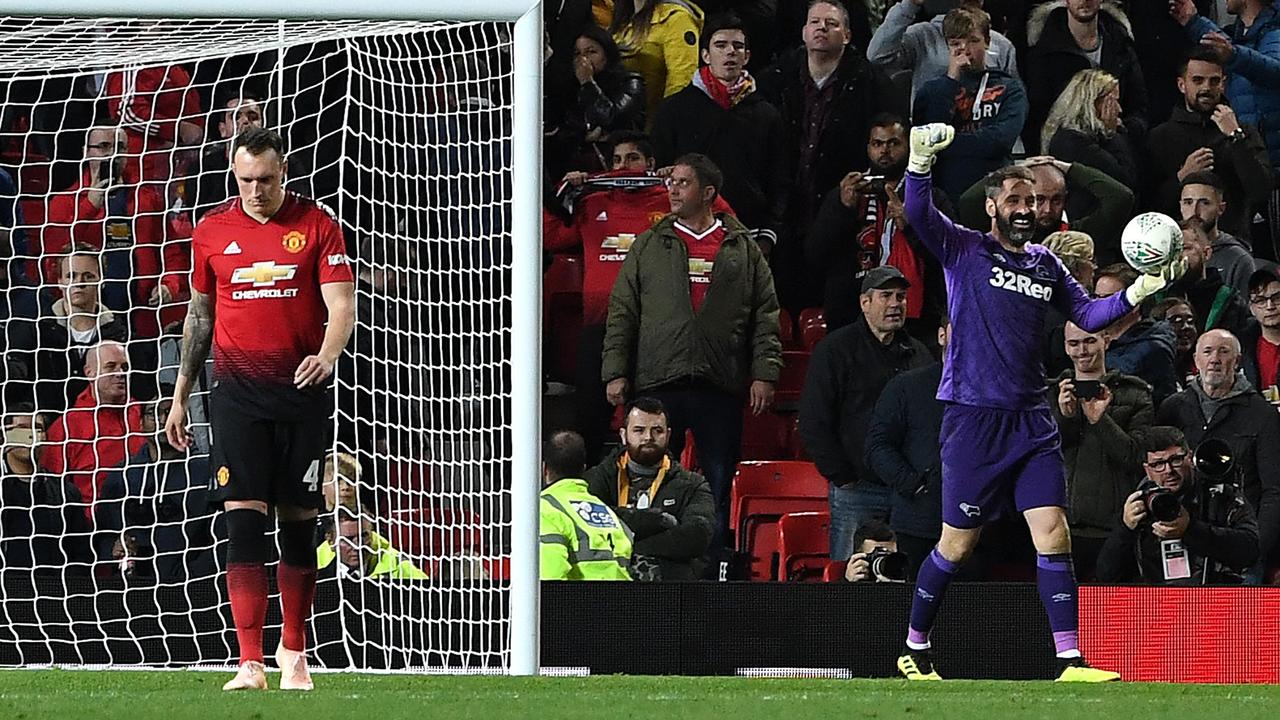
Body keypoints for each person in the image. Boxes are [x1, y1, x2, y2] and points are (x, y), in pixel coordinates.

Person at [896, 122, 1185, 682]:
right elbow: (920, 212)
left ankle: (1070, 660)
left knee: (1054, 533)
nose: (1026, 207)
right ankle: (915, 646)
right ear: (992, 205)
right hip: (975, 418)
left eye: (1033, 200)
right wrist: (919, 163)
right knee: (956, 545)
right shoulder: (965, 249)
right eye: (1015, 198)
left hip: (1032, 418)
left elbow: (1091, 317)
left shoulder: (1046, 264)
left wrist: (1140, 290)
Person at [164, 127, 355, 692]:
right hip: (237, 396)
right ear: (233, 173)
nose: (256, 190)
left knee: (298, 520)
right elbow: (199, 318)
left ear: (284, 172)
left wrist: (326, 354)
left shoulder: (316, 225)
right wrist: (180, 394)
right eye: (246, 179)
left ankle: (293, 651)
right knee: (243, 515)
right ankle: (250, 662)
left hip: (299, 392)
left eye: (266, 179)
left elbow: (341, 302)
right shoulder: (212, 231)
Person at [601, 154, 781, 550]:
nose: (673, 189)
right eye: (672, 182)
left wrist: (764, 374)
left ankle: (710, 565)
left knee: (717, 481)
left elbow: (765, 314)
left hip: (720, 384)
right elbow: (623, 311)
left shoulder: (742, 248)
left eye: (683, 182)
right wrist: (615, 371)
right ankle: (650, 557)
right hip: (658, 382)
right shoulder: (649, 245)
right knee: (652, 478)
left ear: (709, 193)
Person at [545, 133, 733, 458]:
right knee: (590, 416)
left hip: (654, 333)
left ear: (650, 164)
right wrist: (559, 190)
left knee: (648, 422)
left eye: (632, 159)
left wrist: (679, 180)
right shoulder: (592, 203)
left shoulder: (670, 202)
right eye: (616, 160)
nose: (623, 167)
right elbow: (551, 236)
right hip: (599, 329)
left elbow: (721, 217)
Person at [758, 0, 902, 310]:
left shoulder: (872, 83)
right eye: (815, 22)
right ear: (803, 32)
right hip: (786, 207)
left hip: (844, 212)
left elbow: (892, 142)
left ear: (848, 35)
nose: (822, 28)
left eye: (832, 23)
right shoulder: (774, 80)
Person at [798, 266, 932, 560]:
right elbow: (813, 421)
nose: (896, 304)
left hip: (909, 493)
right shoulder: (835, 350)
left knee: (906, 578)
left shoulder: (920, 354)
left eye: (901, 296)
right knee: (852, 580)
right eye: (886, 296)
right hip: (858, 489)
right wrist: (843, 476)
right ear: (864, 302)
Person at [651, 13, 788, 255]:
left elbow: (779, 179)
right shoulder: (674, 110)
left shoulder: (767, 114)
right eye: (721, 45)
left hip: (748, 233)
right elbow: (660, 171)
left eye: (738, 46)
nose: (730, 52)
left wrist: (769, 233)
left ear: (747, 56)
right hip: (685, 234)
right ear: (705, 55)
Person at [41, 125, 188, 340]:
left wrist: (169, 285)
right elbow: (53, 263)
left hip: (141, 317)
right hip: (86, 320)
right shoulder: (64, 203)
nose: (112, 154)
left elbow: (172, 252)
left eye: (119, 147)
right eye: (103, 146)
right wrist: (89, 206)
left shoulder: (146, 198)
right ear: (86, 151)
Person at [806, 113, 949, 333]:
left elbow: (948, 260)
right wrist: (842, 210)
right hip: (850, 317)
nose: (884, 151)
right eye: (877, 144)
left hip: (915, 323)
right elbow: (815, 254)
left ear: (909, 146)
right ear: (868, 148)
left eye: (894, 143)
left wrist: (912, 226)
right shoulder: (846, 193)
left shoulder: (930, 198)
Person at [1157, 329, 1280, 577]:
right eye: (1207, 351)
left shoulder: (1262, 414)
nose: (1215, 359)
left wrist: (1258, 549)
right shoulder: (1172, 408)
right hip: (1185, 543)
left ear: (1237, 361)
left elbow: (1274, 491)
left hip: (1240, 550)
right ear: (1196, 360)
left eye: (1224, 352)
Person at [1048, 321, 1154, 581]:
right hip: (1059, 528)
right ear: (1065, 347)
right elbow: (1039, 455)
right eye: (1074, 343)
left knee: (1112, 616)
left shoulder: (1136, 394)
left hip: (1115, 529)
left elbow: (1135, 458)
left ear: (1106, 340)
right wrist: (1065, 417)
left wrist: (1100, 420)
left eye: (1089, 341)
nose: (1082, 350)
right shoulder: (1049, 395)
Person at [1094, 426, 1259, 585]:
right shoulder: (1137, 504)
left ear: (1190, 458)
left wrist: (1190, 530)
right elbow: (1106, 576)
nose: (1169, 470)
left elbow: (1251, 551)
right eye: (1158, 464)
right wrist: (1125, 529)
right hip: (1154, 603)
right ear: (1147, 469)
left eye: (1176, 460)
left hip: (1211, 598)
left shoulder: (1220, 496)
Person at [1145, 47, 1273, 244]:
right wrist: (1182, 176)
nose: (1206, 88)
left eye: (1214, 81)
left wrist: (1235, 136)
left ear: (1224, 84)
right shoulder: (1160, 136)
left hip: (1233, 244)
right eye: (1197, 80)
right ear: (1181, 85)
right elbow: (1148, 204)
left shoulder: (1243, 131)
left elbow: (1260, 190)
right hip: (1176, 246)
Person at [584, 397, 715, 581]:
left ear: (668, 435)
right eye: (639, 430)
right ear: (623, 435)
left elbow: (697, 535)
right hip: (606, 585)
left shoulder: (693, 485)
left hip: (670, 588)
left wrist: (631, 548)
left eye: (657, 431)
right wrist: (658, 521)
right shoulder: (597, 478)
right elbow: (588, 527)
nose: (648, 437)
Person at [911, 7, 1028, 200]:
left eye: (973, 41)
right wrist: (951, 81)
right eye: (956, 43)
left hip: (994, 191)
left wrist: (948, 144)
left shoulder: (1010, 88)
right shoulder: (932, 91)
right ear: (947, 46)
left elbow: (1001, 141)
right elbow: (928, 139)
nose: (965, 50)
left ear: (988, 42)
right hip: (944, 193)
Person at [864, 316, 949, 576]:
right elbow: (878, 446)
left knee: (972, 614)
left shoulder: (996, 390)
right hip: (918, 526)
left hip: (978, 528)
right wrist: (914, 485)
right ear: (942, 335)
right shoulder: (908, 387)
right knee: (913, 612)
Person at [5, 248, 129, 413]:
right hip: (47, 428)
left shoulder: (120, 335)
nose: (79, 283)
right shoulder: (35, 332)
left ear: (102, 281)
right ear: (60, 281)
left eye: (88, 276)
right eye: (71, 276)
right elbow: (17, 385)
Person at [954, 156, 1133, 265]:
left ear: (1066, 198)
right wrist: (1012, 171)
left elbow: (1121, 197)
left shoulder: (1078, 236)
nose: (1047, 209)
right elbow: (968, 202)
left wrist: (1067, 168)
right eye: (1039, 200)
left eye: (1056, 200)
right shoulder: (1005, 234)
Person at [1170, 0, 1280, 177]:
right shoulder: (1242, 35)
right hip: (1252, 162)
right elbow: (1233, 50)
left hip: (1273, 166)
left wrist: (1233, 54)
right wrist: (1193, 21)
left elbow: (1272, 69)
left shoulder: (1275, 31)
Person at [39, 341, 146, 523]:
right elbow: (53, 490)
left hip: (147, 521)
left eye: (125, 367)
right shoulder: (67, 427)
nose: (120, 374)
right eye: (111, 367)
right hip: (93, 530)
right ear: (89, 372)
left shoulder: (145, 415)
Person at [1024, 0, 1149, 153]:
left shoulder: (1121, 45)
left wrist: (1121, 130)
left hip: (1119, 149)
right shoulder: (1044, 52)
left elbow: (1138, 105)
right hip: (1066, 153)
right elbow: (1037, 116)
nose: (1083, 0)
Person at [867, 0, 1018, 103]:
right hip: (932, 135)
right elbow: (878, 56)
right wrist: (908, 5)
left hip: (988, 136)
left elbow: (1014, 99)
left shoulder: (1001, 45)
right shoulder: (923, 35)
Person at [0, 403, 92, 572]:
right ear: (5, 435)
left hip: (52, 591)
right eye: (22, 429)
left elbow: (80, 554)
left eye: (37, 429)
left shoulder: (66, 493)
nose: (31, 436)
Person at [547, 26, 646, 175]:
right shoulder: (569, 88)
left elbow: (611, 118)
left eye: (591, 52)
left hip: (619, 163)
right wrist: (584, 134)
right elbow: (562, 132)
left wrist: (588, 83)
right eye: (577, 54)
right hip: (574, 167)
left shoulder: (630, 82)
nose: (584, 59)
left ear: (607, 54)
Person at [541, 430, 634, 580]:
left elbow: (551, 577)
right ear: (583, 468)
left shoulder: (545, 509)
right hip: (623, 601)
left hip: (577, 602)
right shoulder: (606, 512)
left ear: (545, 469)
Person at [1092, 264, 1179, 406]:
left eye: (1109, 299)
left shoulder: (1155, 342)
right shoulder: (1091, 336)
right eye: (1096, 297)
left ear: (1135, 301)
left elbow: (1125, 369)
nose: (1101, 305)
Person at [1040, 69, 1139, 190]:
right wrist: (1111, 132)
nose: (1119, 109)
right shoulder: (1072, 141)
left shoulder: (1091, 137)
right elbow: (1125, 180)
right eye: (1114, 102)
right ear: (1092, 102)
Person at [105, 63, 204, 183]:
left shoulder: (172, 64)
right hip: (144, 166)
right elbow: (127, 110)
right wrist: (177, 129)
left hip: (178, 162)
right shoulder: (134, 64)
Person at [610, 0, 704, 124]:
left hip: (651, 128)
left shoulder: (676, 18)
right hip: (616, 122)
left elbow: (681, 80)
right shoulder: (621, 18)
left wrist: (666, 127)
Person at [1161, 218, 1251, 338]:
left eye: (1185, 248)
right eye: (1173, 251)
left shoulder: (1231, 304)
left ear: (1207, 253)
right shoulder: (1158, 298)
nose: (1177, 257)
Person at [1178, 172, 1256, 298]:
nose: (1194, 211)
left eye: (1205, 203)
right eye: (1188, 202)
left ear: (1221, 208)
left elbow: (1249, 312)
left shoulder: (1238, 259)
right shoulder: (1168, 252)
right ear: (1180, 206)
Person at [328, 508, 428, 580]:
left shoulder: (397, 566)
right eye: (347, 539)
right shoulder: (317, 567)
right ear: (331, 542)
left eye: (364, 536)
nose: (357, 546)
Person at [1241, 267, 1280, 395]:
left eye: (1277, 298)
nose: (1270, 306)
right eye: (1260, 301)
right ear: (1252, 308)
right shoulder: (1242, 348)